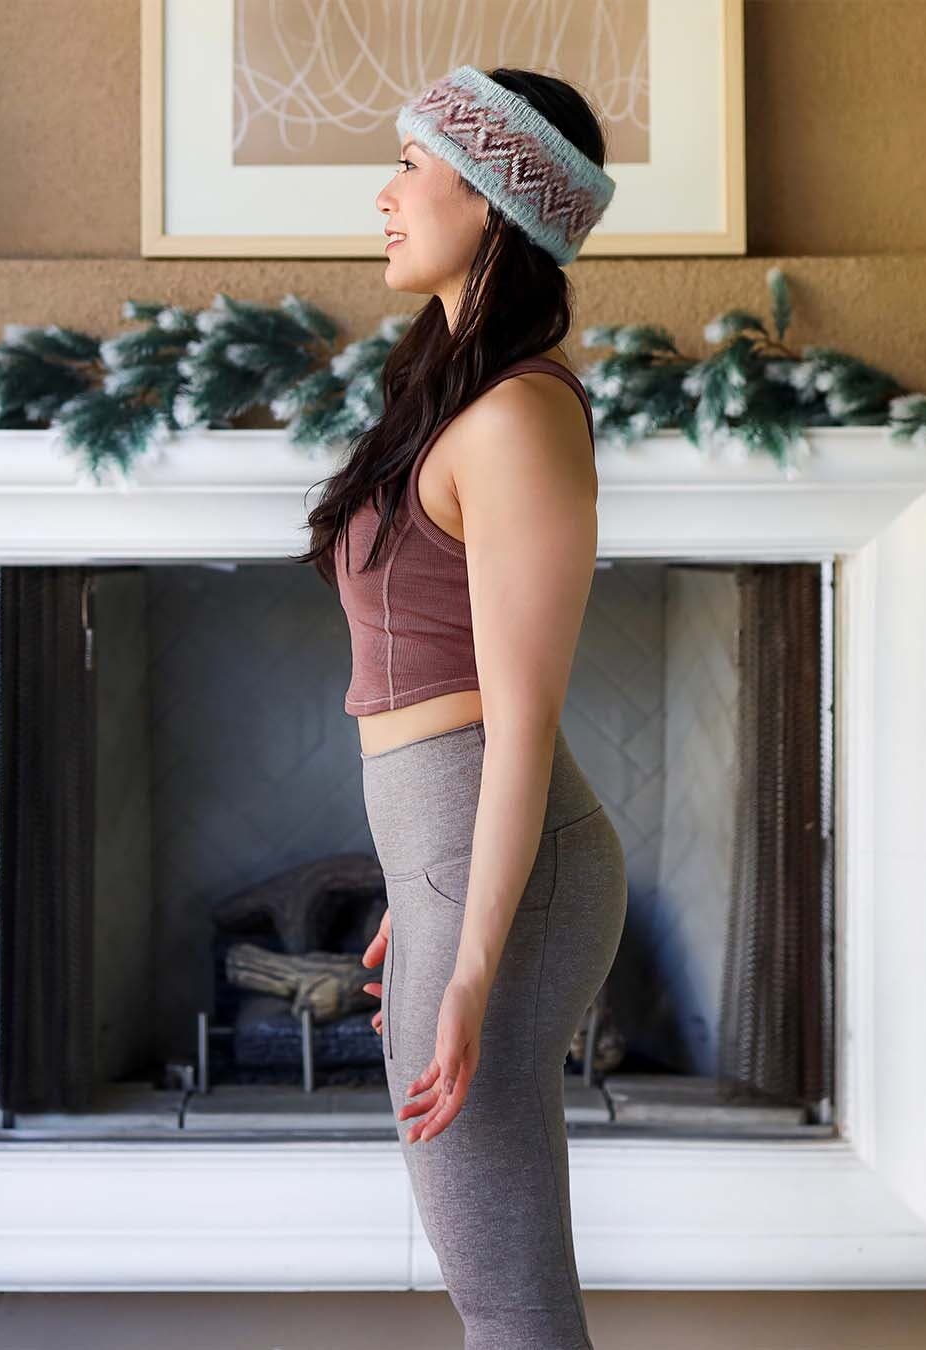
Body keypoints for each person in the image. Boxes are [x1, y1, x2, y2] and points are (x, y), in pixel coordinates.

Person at [291, 64, 627, 1350]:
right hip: (456, 858)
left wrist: (477, 956)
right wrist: (428, 893)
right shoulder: (449, 397)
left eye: (411, 167)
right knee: (495, 1282)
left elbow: (520, 719)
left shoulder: (518, 421)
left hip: (509, 870)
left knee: (509, 1297)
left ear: (492, 198)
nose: (384, 196)